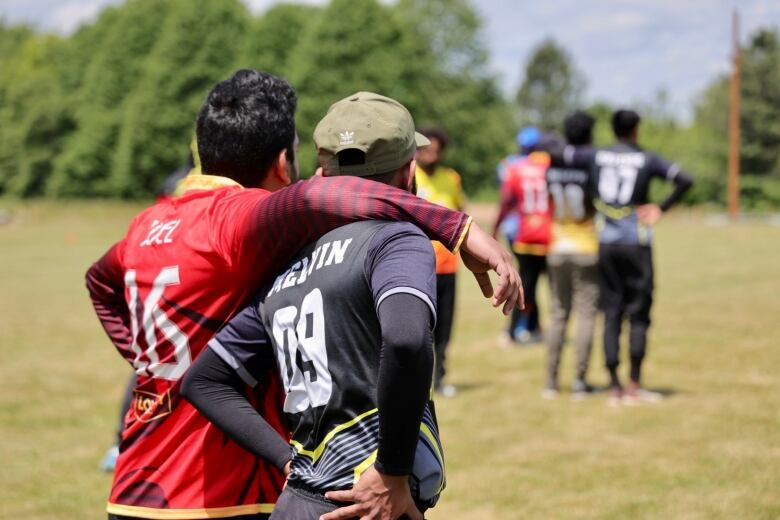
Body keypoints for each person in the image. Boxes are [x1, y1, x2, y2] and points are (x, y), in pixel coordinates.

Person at [86, 69, 522, 520]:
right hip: (219, 488)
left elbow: (99, 283)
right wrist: (457, 227)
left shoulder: (149, 224)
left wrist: (151, 361)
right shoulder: (236, 218)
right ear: (282, 163)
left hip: (138, 479)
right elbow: (319, 199)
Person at [184, 91, 449, 520]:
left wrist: (288, 461)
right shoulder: (396, 240)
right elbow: (405, 340)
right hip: (366, 505)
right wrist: (393, 472)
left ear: (322, 173)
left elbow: (205, 381)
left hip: (296, 504)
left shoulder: (288, 263)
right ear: (411, 172)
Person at [549, 109, 693, 406]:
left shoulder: (596, 156)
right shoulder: (647, 158)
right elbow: (685, 179)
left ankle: (613, 386)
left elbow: (563, 155)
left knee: (611, 312)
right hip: (637, 244)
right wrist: (661, 208)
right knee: (639, 313)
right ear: (636, 130)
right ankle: (635, 383)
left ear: (613, 130)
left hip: (605, 243)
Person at [542, 112, 599, 401]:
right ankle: (579, 380)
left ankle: (551, 381)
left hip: (557, 245)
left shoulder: (553, 163)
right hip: (586, 245)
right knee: (586, 313)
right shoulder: (592, 161)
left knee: (558, 314)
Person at [415, 127, 466, 397]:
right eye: (426, 149)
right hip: (419, 267)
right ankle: (419, 381)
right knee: (421, 329)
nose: (431, 155)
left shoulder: (451, 178)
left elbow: (460, 213)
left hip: (448, 266)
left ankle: (441, 377)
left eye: (436, 150)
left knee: (445, 327)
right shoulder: (410, 177)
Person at [493, 128, 552, 344]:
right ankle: (534, 327)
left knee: (526, 282)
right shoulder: (548, 164)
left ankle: (522, 328)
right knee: (538, 283)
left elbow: (506, 198)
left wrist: (495, 228)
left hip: (519, 231)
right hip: (547, 232)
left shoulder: (510, 165)